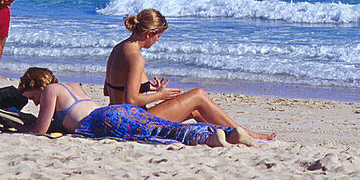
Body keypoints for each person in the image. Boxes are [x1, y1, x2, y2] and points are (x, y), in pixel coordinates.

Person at [104, 8, 275, 141]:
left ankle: (229, 135)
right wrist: (159, 95)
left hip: (116, 120)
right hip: (133, 123)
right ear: (149, 33)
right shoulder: (136, 58)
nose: (158, 40)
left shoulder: (119, 48)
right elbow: (130, 101)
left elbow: (108, 90)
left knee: (196, 111)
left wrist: (148, 87)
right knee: (198, 95)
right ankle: (246, 133)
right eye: (158, 36)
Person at [17, 67, 256, 147]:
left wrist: (17, 130)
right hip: (117, 111)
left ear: (38, 86)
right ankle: (230, 133)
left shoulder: (50, 91)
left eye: (32, 97)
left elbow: (41, 130)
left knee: (160, 131)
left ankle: (211, 139)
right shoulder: (73, 86)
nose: (35, 102)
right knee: (160, 125)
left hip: (104, 120)